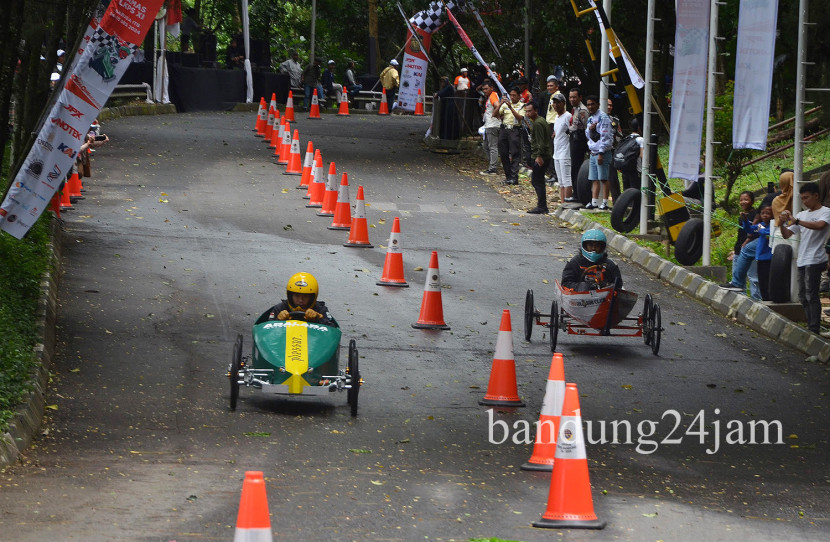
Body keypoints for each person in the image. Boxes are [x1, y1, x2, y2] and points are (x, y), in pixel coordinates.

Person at [779, 182, 830, 334]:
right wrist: (782, 223)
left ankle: (814, 328)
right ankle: (811, 325)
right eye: (802, 198)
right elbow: (787, 234)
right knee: (802, 295)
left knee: (811, 293)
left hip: (816, 258)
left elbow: (820, 225)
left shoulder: (825, 212)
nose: (805, 201)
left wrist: (797, 221)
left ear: (816, 196)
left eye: (807, 198)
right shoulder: (802, 214)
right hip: (803, 258)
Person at [264, 272, 335, 326]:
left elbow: (333, 329)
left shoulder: (320, 309)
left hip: (312, 341)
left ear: (312, 297)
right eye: (297, 296)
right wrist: (278, 320)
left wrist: (318, 318)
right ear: (290, 295)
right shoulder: (280, 308)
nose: (300, 300)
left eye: (305, 296)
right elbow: (266, 330)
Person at [722, 191, 759, 294]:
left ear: (752, 201)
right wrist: (735, 249)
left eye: (746, 199)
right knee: (737, 277)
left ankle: (756, 299)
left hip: (750, 250)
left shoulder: (757, 215)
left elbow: (758, 230)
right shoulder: (741, 216)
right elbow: (741, 233)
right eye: (741, 200)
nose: (743, 202)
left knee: (753, 277)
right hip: (739, 249)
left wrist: (748, 241)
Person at [584, 94, 613, 210]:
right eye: (588, 105)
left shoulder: (603, 118)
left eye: (592, 104)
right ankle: (594, 201)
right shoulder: (591, 118)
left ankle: (605, 202)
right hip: (593, 151)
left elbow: (605, 136)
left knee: (604, 178)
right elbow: (588, 135)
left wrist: (601, 153)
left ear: (598, 104)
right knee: (594, 178)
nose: (590, 107)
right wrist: (591, 128)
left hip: (602, 153)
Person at [524, 101, 553, 214]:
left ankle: (542, 206)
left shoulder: (538, 123)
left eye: (530, 111)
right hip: (541, 155)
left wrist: (539, 156)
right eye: (526, 111)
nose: (527, 113)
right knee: (537, 180)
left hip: (541, 156)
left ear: (536, 110)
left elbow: (541, 141)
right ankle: (541, 205)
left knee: (537, 181)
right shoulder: (538, 121)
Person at [495, 88, 526, 185]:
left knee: (515, 153)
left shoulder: (522, 106)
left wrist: (511, 107)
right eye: (511, 95)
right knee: (503, 153)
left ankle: (514, 177)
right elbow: (494, 114)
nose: (512, 97)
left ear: (519, 96)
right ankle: (508, 177)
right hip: (504, 129)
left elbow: (520, 118)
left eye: (514, 95)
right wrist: (501, 103)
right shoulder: (505, 105)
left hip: (514, 129)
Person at [744, 205, 773, 301]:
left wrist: (762, 230)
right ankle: (765, 299)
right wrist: (745, 221)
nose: (765, 215)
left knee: (769, 280)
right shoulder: (761, 225)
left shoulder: (774, 226)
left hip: (769, 258)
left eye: (768, 213)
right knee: (762, 281)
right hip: (760, 258)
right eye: (763, 213)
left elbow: (767, 232)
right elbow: (751, 229)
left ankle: (769, 298)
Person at [567, 87, 589, 197]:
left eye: (574, 97)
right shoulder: (575, 109)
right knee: (574, 168)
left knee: (576, 167)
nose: (572, 99)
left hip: (579, 140)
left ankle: (577, 194)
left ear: (580, 97)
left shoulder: (582, 110)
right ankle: (575, 192)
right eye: (570, 97)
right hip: (574, 139)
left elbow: (586, 128)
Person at [551, 93, 573, 204]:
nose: (556, 105)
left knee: (567, 180)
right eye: (554, 102)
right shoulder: (556, 117)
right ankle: (562, 203)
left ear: (564, 103)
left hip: (565, 152)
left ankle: (567, 204)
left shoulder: (568, 116)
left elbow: (572, 131)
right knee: (561, 182)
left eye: (558, 102)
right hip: (557, 151)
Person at [479, 80, 501, 176]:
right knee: (486, 146)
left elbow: (497, 105)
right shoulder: (490, 96)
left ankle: (493, 168)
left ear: (491, 88)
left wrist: (495, 114)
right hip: (489, 125)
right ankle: (493, 165)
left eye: (486, 89)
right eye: (483, 89)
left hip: (493, 125)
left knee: (492, 147)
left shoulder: (493, 95)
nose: (484, 91)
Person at [606, 98, 624, 202]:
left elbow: (619, 136)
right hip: (597, 151)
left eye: (611, 105)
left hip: (611, 151)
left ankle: (616, 200)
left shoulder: (615, 121)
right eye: (607, 105)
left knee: (612, 177)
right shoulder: (595, 118)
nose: (609, 107)